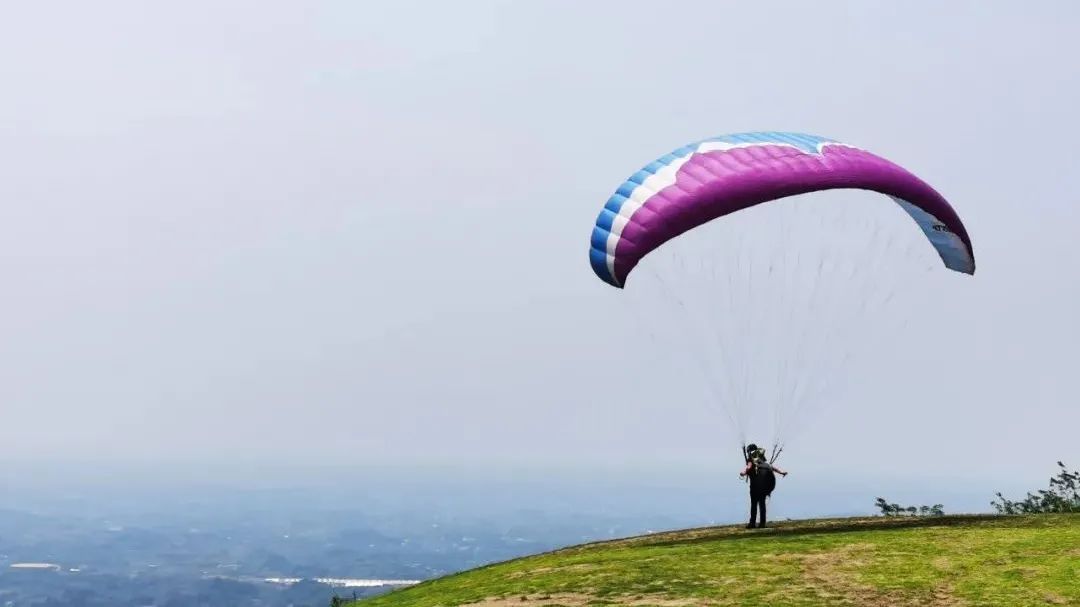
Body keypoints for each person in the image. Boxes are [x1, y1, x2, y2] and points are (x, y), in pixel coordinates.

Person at [739, 443, 788, 529]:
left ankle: (752, 523)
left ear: (749, 451)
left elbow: (749, 467)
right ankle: (762, 523)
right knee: (762, 504)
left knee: (754, 504)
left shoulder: (751, 460)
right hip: (763, 487)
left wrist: (743, 473)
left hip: (755, 487)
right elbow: (771, 467)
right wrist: (782, 472)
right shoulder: (761, 460)